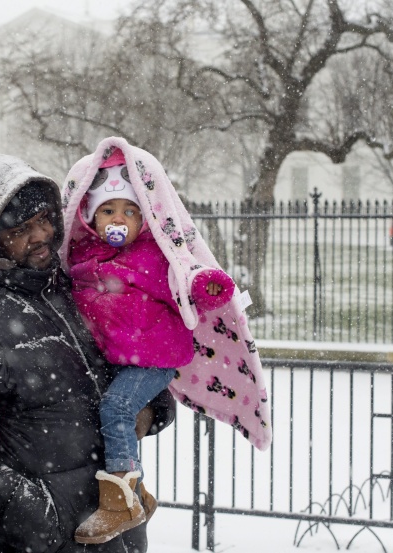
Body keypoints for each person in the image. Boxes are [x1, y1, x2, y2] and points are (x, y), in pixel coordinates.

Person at [0, 154, 175, 553]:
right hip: (43, 538)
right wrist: (41, 517)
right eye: (21, 229)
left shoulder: (77, 282)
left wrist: (151, 406)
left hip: (116, 525)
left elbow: (138, 355)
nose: (41, 235)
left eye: (44, 219)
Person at [59, 137, 273, 544]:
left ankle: (120, 502)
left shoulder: (154, 255)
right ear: (89, 217)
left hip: (155, 358)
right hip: (119, 358)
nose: (119, 219)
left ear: (144, 218)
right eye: (108, 210)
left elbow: (186, 275)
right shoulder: (83, 259)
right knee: (107, 412)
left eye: (129, 211)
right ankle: (137, 494)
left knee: (117, 408)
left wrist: (206, 285)